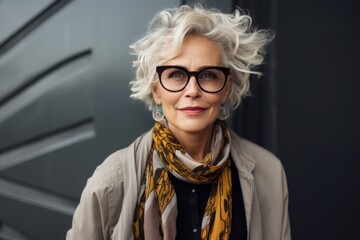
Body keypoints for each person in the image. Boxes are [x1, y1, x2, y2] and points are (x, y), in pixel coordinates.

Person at [66, 4, 291, 240]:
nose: (192, 90)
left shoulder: (269, 173)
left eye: (208, 75)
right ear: (156, 90)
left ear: (225, 87)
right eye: (176, 74)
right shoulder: (112, 181)